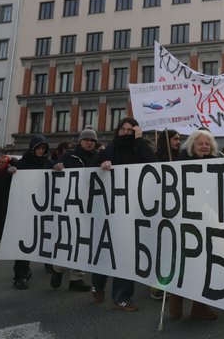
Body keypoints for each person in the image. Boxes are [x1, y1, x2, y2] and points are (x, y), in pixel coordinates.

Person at [91, 117, 156, 312]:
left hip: (132, 210)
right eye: (123, 129)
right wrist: (102, 165)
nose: (126, 133)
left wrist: (139, 139)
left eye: (130, 130)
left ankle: (122, 297)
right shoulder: (111, 147)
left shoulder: (139, 147)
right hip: (109, 209)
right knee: (106, 250)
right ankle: (98, 284)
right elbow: (94, 168)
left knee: (127, 253)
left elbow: (153, 164)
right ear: (118, 130)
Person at [167, 128, 219, 321]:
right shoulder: (180, 163)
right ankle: (176, 298)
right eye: (200, 143)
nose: (204, 146)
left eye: (207, 143)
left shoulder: (217, 163)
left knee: (204, 263)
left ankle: (199, 305)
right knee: (184, 260)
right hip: (184, 218)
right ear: (192, 146)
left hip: (207, 220)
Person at [51, 126, 99, 292]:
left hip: (89, 205)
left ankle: (76, 279)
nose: (89, 142)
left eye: (92, 140)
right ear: (80, 141)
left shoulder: (99, 157)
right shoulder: (68, 156)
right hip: (70, 204)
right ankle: (58, 269)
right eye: (86, 139)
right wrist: (57, 169)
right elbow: (55, 174)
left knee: (82, 242)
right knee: (67, 239)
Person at [13, 136, 55, 289]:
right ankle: (21, 275)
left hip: (45, 207)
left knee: (47, 236)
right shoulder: (21, 164)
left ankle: (49, 263)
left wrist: (58, 169)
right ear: (32, 148)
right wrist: (12, 174)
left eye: (43, 148)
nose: (41, 151)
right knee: (25, 242)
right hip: (26, 207)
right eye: (38, 148)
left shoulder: (49, 163)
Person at [150, 128, 182, 301]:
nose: (178, 142)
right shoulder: (155, 158)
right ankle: (157, 287)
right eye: (175, 139)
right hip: (160, 211)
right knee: (162, 250)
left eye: (179, 139)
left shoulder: (181, 157)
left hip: (177, 210)